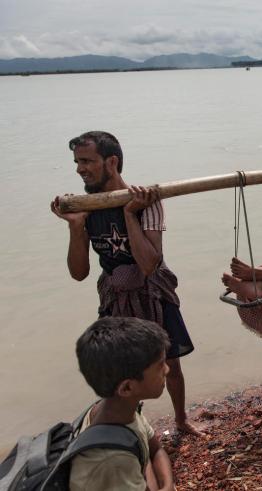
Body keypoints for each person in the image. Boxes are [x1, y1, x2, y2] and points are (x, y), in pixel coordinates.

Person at [50, 131, 202, 436]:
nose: (80, 168)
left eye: (87, 161)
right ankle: (132, 428)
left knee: (169, 362)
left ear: (112, 162)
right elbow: (79, 273)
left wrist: (130, 215)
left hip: (152, 291)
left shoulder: (147, 201)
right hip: (116, 295)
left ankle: (181, 420)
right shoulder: (87, 207)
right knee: (122, 368)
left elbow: (148, 264)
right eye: (77, 162)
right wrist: (77, 226)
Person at [71, 317, 175, 490]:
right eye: (160, 366)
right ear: (127, 387)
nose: (167, 369)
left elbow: (154, 450)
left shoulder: (119, 408)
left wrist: (167, 485)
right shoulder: (111, 461)